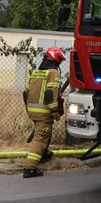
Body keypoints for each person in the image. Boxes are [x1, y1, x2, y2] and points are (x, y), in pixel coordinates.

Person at [22, 46, 66, 178]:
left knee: (44, 134)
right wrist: (54, 110)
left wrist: (28, 108)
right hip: (44, 112)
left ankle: (44, 154)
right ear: (56, 60)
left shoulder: (36, 73)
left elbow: (25, 92)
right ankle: (29, 168)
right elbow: (50, 93)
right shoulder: (53, 73)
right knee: (40, 139)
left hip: (33, 111)